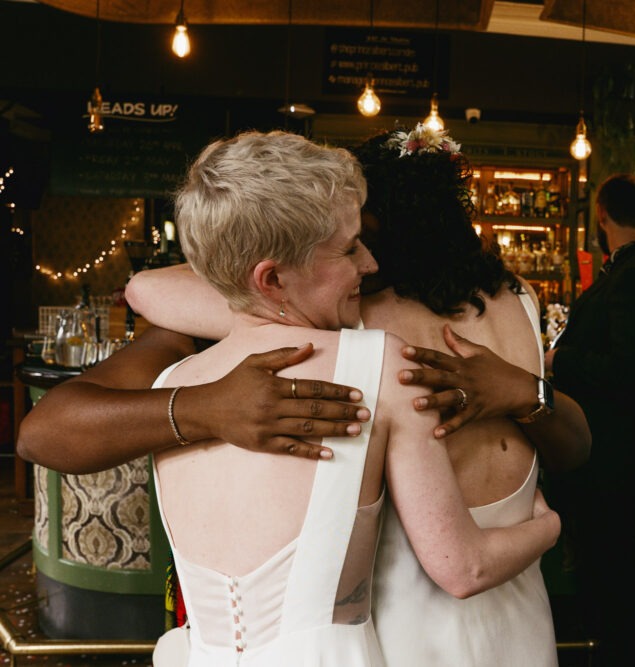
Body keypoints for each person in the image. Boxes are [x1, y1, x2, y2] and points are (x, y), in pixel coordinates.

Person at [19, 125, 592, 665]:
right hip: (509, 614)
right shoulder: (516, 300)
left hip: (410, 622)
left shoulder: (359, 330)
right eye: (348, 246)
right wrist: (209, 405)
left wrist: (241, 307)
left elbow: (155, 290)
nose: (364, 263)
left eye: (362, 240)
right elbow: (575, 450)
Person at [543, 173, 635, 666]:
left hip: (613, 449)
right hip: (610, 447)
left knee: (613, 568)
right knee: (608, 565)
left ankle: (622, 654)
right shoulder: (634, 269)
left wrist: (562, 361)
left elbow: (629, 371)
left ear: (600, 214)